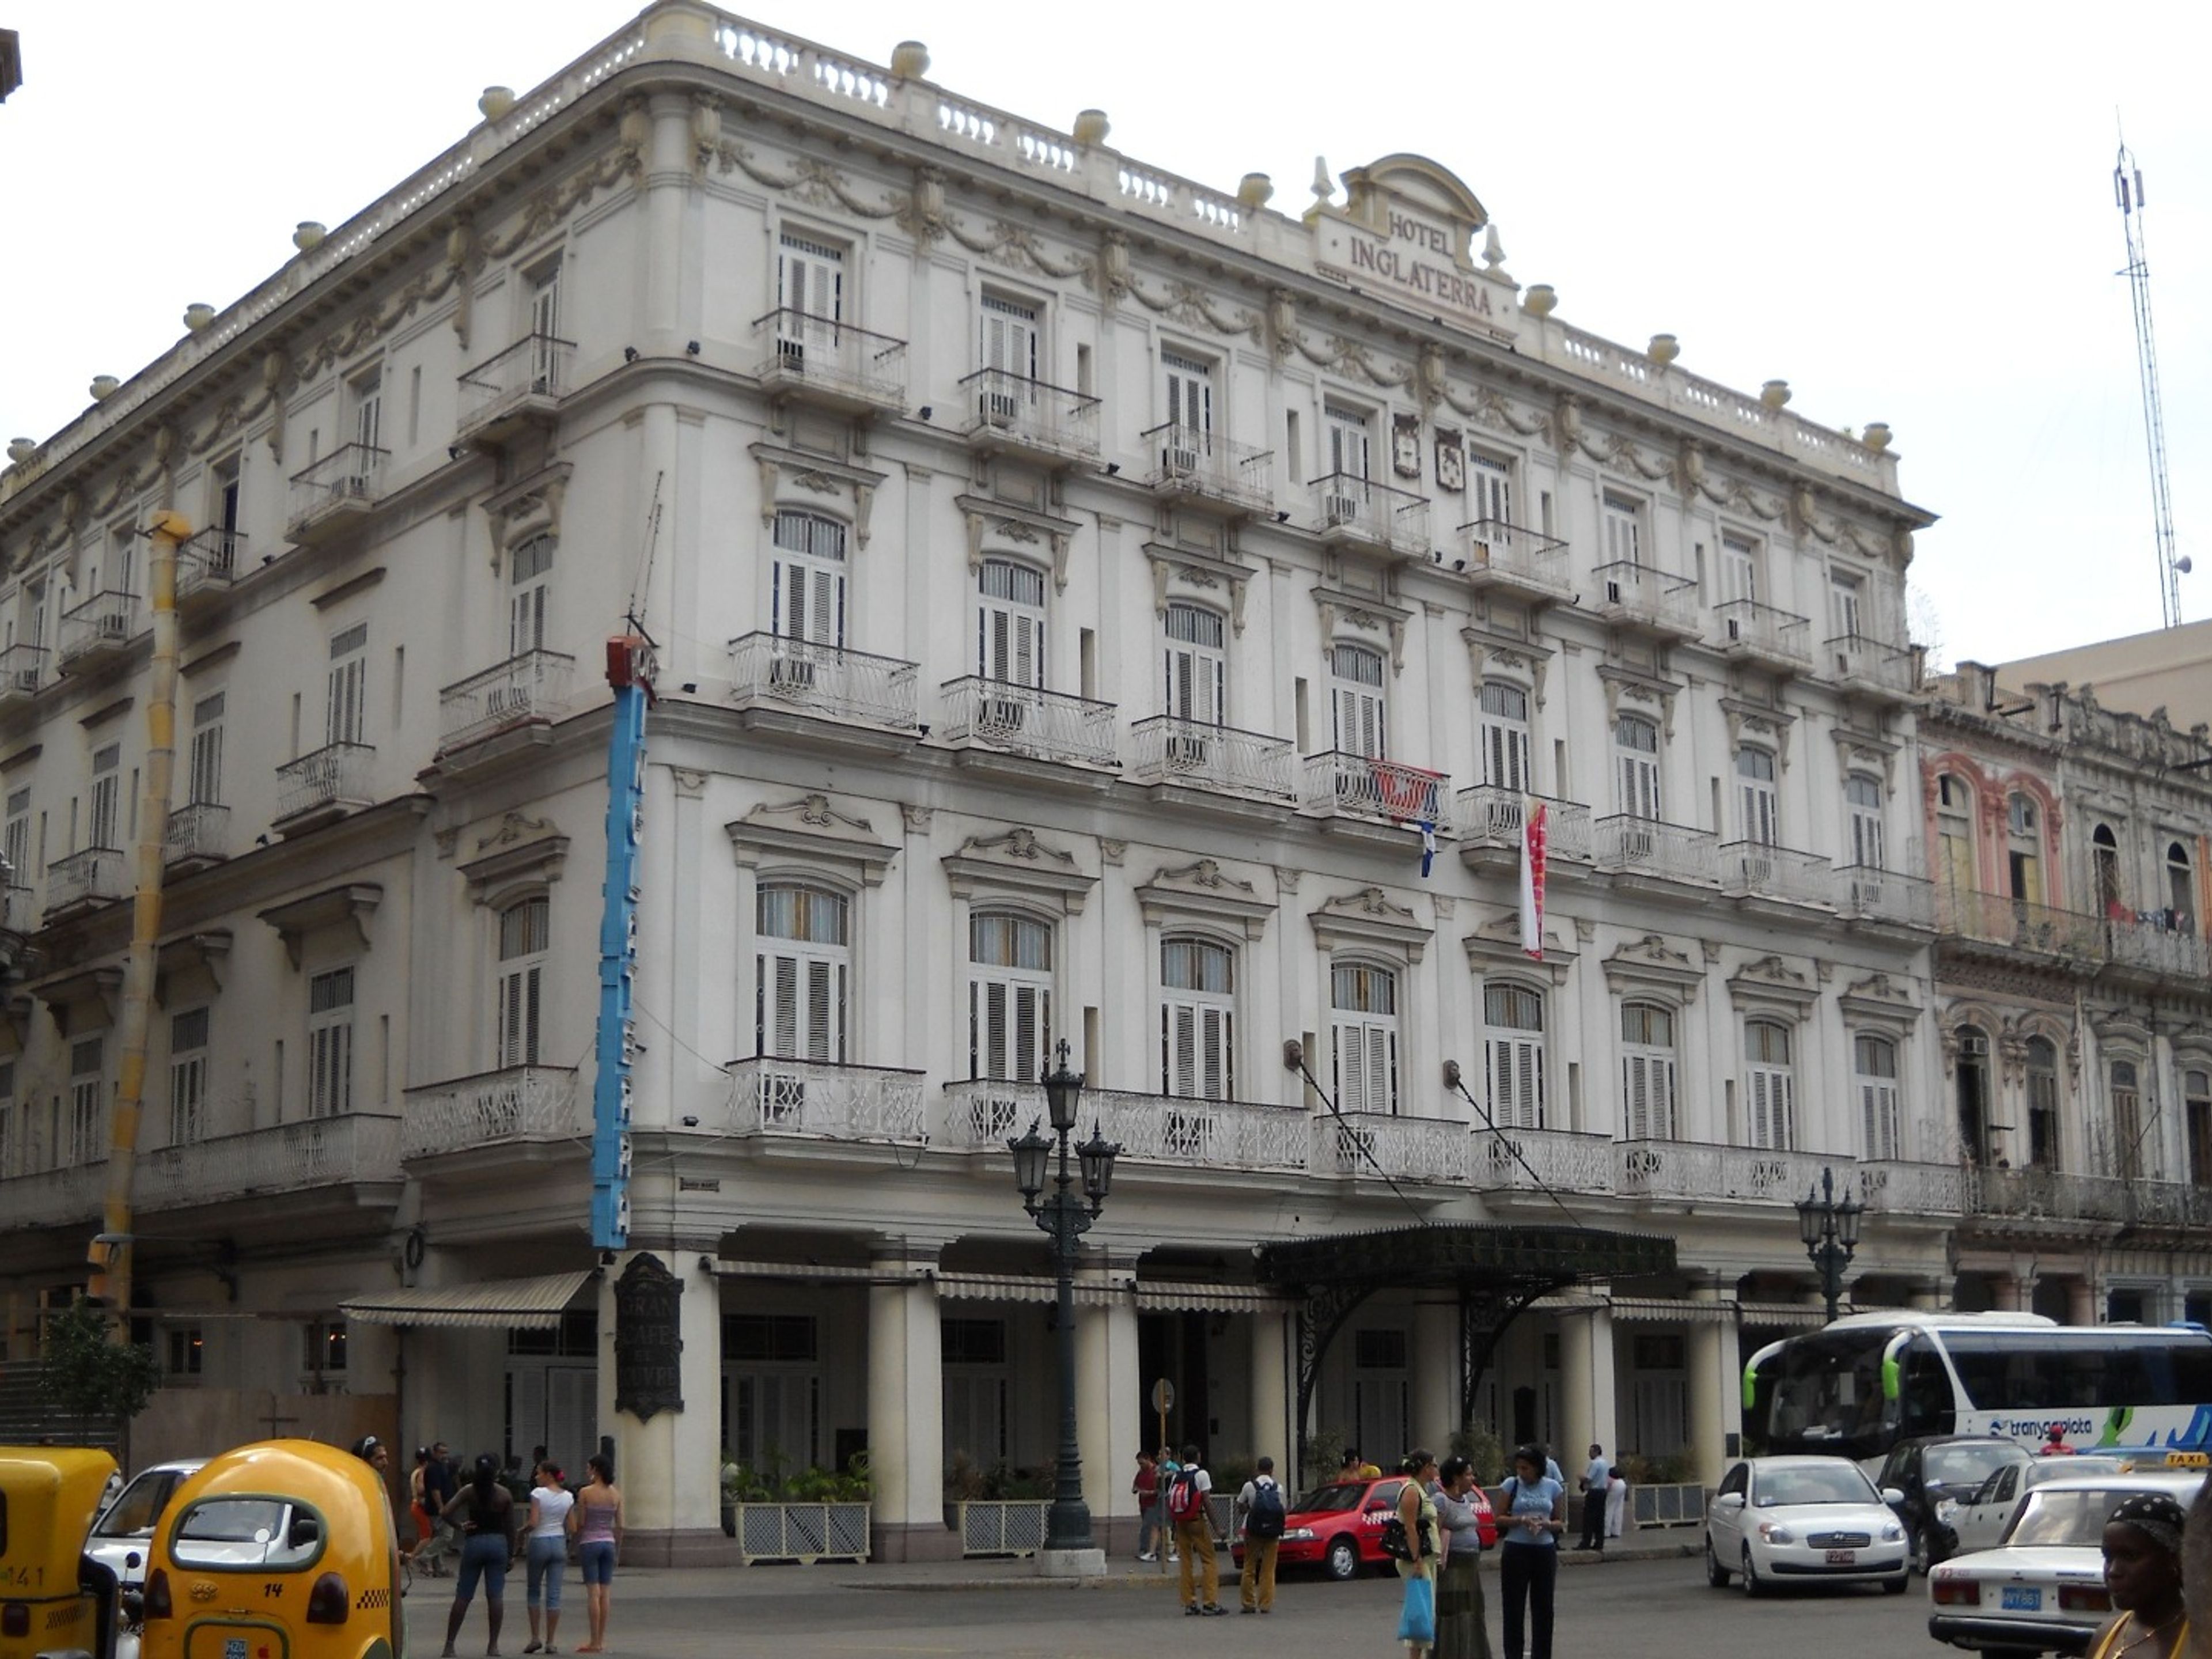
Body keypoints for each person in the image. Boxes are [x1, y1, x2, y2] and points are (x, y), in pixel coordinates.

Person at [2088, 1491, 2189, 1659]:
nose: (2113, 1571)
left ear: (2173, 1560)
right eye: (2108, 1557)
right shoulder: (2107, 1633)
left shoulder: (2202, 1638)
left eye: (2130, 1556)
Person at [440, 1453, 517, 1658]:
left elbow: (445, 1512)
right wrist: (511, 1554)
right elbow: (511, 1528)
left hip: (474, 1543)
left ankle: (450, 1645)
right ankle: (493, 1646)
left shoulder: (469, 1491)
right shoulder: (504, 1494)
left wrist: (460, 1526)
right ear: (497, 1470)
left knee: (464, 1595)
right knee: (495, 1596)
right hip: (498, 1543)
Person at [1497, 1444, 1566, 1659]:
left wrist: (1546, 1525)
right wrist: (1520, 1520)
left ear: (1537, 1467)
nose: (1521, 1473)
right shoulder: (1511, 1485)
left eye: (1526, 1468)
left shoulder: (1553, 1487)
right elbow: (1498, 1518)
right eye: (1518, 1468)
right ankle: (1513, 1653)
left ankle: (1542, 1654)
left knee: (1544, 1607)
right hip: (1516, 1549)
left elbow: (1560, 1521)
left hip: (1543, 1550)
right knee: (1513, 1607)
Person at [1431, 1455, 1493, 1659]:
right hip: (1453, 1568)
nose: (1472, 1478)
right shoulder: (1441, 1500)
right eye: (1468, 1474)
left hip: (1470, 1567)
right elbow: (1434, 1533)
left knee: (1471, 1614)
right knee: (1453, 1615)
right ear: (1456, 1478)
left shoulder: (1466, 1500)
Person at [570, 1455, 623, 1654]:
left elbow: (581, 1522)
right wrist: (619, 1550)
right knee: (606, 1592)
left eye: (588, 1468)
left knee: (593, 1593)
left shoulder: (585, 1493)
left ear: (596, 1470)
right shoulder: (616, 1494)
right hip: (608, 1543)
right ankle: (601, 1640)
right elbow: (620, 1525)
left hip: (590, 1543)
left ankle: (593, 1641)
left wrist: (574, 1544)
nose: (587, 1471)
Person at [522, 1461, 574, 1654]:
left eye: (539, 1473)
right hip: (559, 1542)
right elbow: (574, 1527)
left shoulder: (538, 1494)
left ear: (548, 1475)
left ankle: (535, 1637)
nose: (536, 1477)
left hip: (540, 1542)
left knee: (534, 1590)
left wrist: (521, 1531)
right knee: (554, 1594)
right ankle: (551, 1641)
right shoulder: (568, 1497)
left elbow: (534, 1522)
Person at [1396, 1451, 1441, 1659]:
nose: (1436, 1470)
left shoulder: (1423, 1489)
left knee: (1425, 1612)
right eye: (1434, 1465)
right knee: (1421, 1612)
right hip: (1418, 1559)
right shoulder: (1412, 1490)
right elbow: (1411, 1527)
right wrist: (1416, 1560)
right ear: (1425, 1468)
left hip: (1428, 1557)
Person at [1168, 1444, 1222, 1615]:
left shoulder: (1177, 1475)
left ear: (1183, 1458)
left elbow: (1171, 1500)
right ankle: (1210, 1602)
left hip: (1181, 1522)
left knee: (1186, 1562)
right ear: (1198, 1457)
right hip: (1197, 1520)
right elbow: (1206, 1500)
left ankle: (1189, 1603)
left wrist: (1174, 1527)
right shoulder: (1201, 1474)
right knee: (1209, 1560)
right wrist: (1217, 1528)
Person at [1237, 1456, 1285, 1614]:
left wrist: (1251, 1508)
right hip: (1273, 1533)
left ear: (1257, 1469)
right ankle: (1265, 1604)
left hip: (1253, 1532)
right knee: (1268, 1569)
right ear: (1271, 1470)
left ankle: (1248, 1603)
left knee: (1249, 1567)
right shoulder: (1278, 1488)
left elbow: (1241, 1507)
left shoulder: (1250, 1486)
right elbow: (1282, 1509)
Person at [1577, 1444, 1610, 1552]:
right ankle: (1599, 1542)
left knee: (1589, 1518)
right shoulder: (1605, 1463)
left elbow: (1589, 1479)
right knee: (1600, 1518)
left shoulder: (1595, 1463)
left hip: (1594, 1492)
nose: (1589, 1454)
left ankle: (1586, 1542)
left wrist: (1581, 1478)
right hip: (1602, 1492)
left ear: (1596, 1452)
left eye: (1591, 1452)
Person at [1133, 1450, 1162, 1562]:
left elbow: (1159, 1489)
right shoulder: (1141, 1472)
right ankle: (1153, 1550)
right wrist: (1136, 1489)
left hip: (1153, 1503)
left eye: (1142, 1463)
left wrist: (1149, 1493)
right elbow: (1136, 1483)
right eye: (1139, 1464)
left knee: (1148, 1527)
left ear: (1148, 1460)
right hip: (1143, 1503)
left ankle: (1146, 1550)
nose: (1141, 1466)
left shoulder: (1156, 1471)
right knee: (1149, 1527)